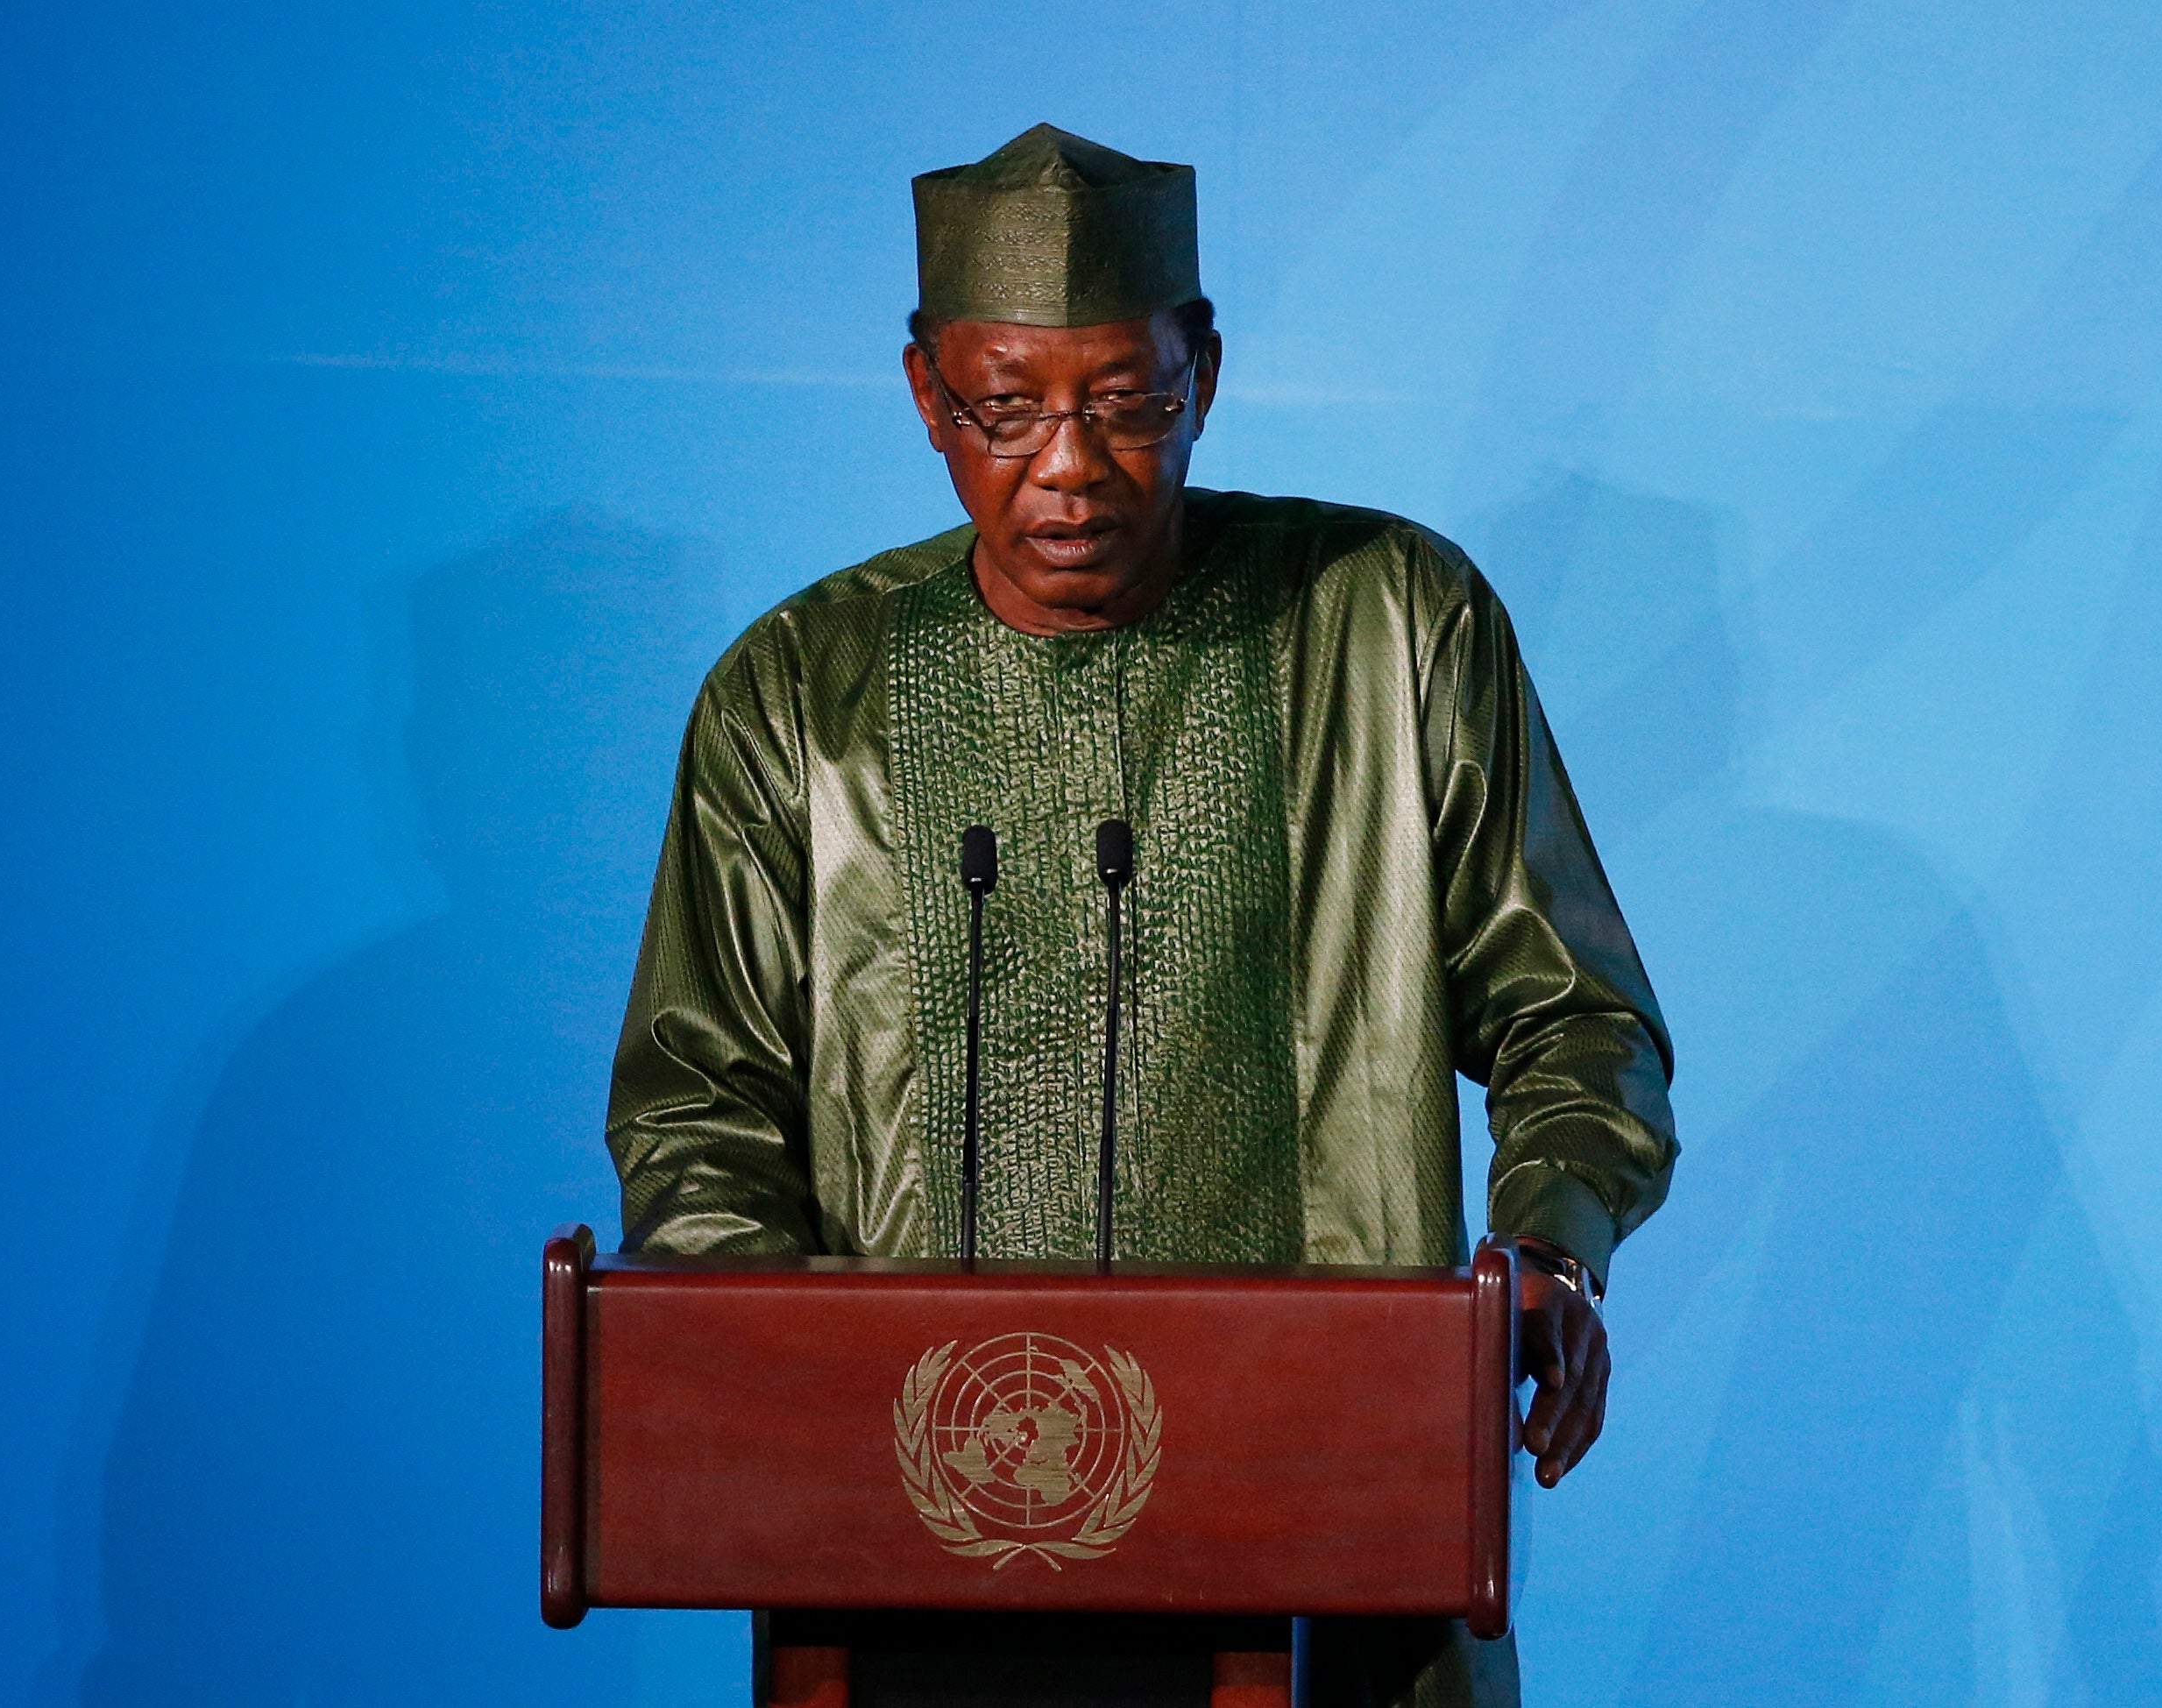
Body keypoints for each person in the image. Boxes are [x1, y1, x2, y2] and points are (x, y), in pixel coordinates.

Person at [606, 123, 1677, 1708]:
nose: (1068, 465)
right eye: (1006, 407)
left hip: (1325, 1522)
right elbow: (700, 1109)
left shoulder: (1390, 626)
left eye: (1124, 401)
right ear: (925, 396)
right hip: (907, 1551)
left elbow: (1573, 1013)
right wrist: (779, 1386)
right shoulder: (796, 698)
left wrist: (1555, 1243)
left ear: (1206, 373)